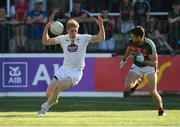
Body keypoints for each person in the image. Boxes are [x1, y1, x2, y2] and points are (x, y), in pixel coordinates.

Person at [37, 16, 105, 115]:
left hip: (76, 73)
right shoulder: (62, 38)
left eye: (76, 31)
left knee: (57, 88)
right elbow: (45, 41)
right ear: (67, 30)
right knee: (48, 94)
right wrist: (46, 28)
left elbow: (101, 38)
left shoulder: (83, 38)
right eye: (72, 31)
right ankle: (53, 100)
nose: (74, 33)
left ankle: (44, 110)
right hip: (64, 69)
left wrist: (101, 26)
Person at [119, 26, 165, 116]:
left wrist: (144, 60)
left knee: (153, 91)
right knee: (127, 86)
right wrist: (124, 59)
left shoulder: (149, 44)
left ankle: (161, 110)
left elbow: (154, 63)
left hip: (149, 67)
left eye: (133, 37)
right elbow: (129, 49)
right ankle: (137, 83)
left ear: (140, 37)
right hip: (137, 66)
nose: (131, 38)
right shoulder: (131, 42)